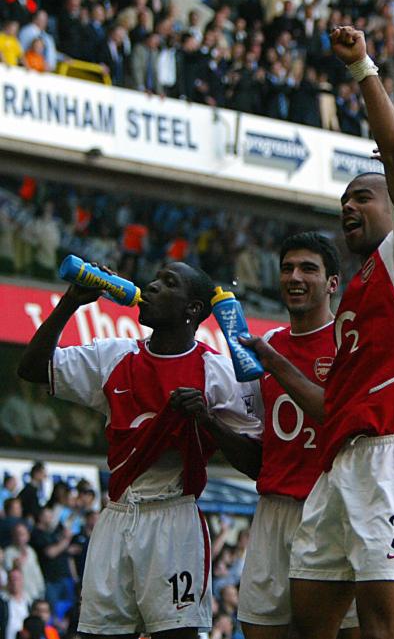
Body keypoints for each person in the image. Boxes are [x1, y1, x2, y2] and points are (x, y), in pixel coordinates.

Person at [285, 26, 394, 639]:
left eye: (363, 198)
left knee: (382, 626)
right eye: (343, 204)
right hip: (342, 463)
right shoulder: (358, 288)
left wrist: (362, 67)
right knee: (308, 620)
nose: (349, 208)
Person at [16, 261, 262, 639]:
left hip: (174, 519)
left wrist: (208, 421)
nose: (151, 286)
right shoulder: (113, 356)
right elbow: (33, 368)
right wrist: (70, 302)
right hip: (115, 518)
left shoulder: (216, 373)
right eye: (155, 278)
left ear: (192, 310)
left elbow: (256, 464)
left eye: (168, 283)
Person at [234, 232, 359, 639]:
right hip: (274, 510)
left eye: (308, 268)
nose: (295, 277)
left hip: (332, 507)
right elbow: (257, 435)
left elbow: (339, 417)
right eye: (288, 268)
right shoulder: (268, 343)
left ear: (332, 283)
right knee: (260, 629)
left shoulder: (348, 343)